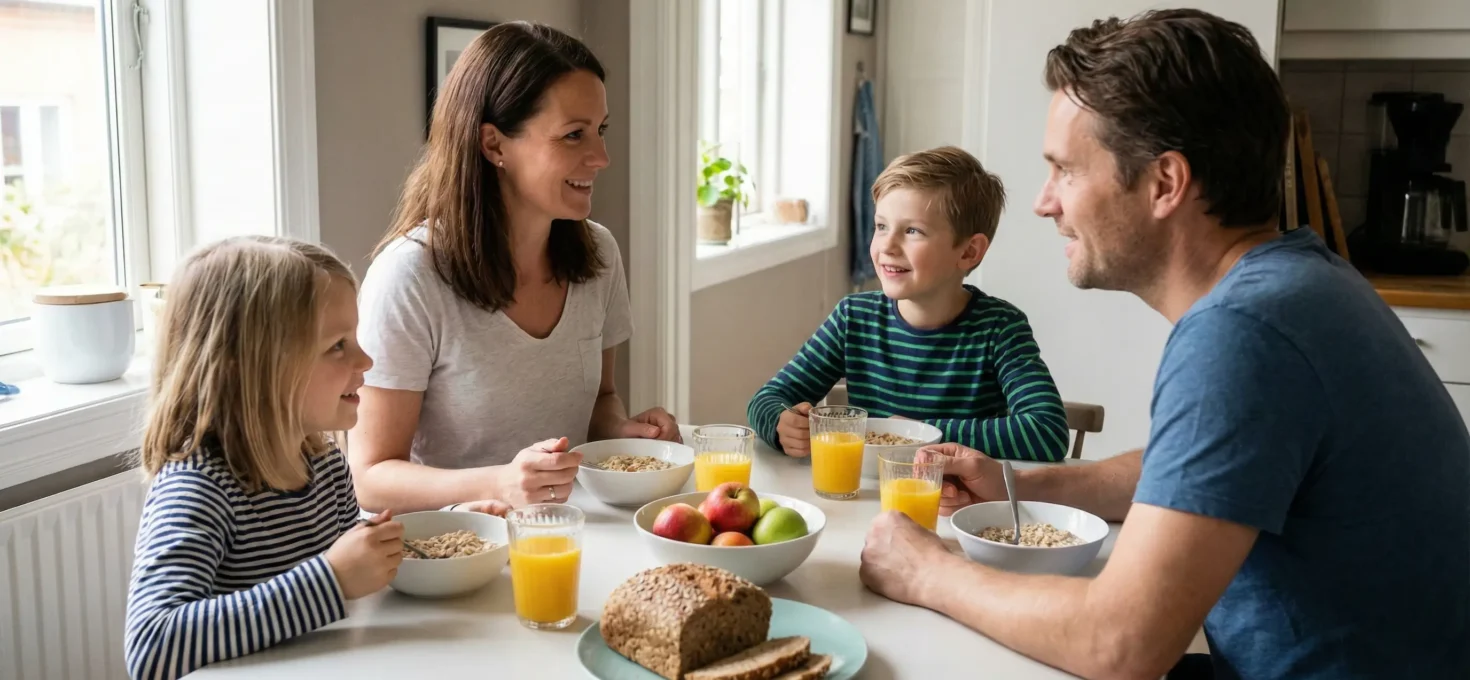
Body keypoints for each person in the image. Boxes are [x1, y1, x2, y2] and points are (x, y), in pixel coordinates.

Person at [858, 10, 1470, 680]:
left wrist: (927, 571)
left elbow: (1119, 646)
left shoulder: (1245, 333)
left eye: (1063, 170)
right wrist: (1014, 482)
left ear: (1165, 183)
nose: (1044, 202)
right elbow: (1198, 471)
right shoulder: (1303, 280)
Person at [124, 237, 508, 680]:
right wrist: (329, 580)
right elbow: (151, 646)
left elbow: (353, 561)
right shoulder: (197, 488)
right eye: (337, 346)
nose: (365, 360)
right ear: (250, 366)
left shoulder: (323, 464)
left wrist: (450, 529)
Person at [350, 22, 679, 512]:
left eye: (600, 130)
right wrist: (500, 483)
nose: (602, 157)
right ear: (494, 145)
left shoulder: (600, 255)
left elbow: (600, 400)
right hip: (456, 555)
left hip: (567, 532)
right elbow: (371, 477)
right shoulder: (409, 277)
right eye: (573, 135)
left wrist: (622, 430)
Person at [747, 146, 1069, 461]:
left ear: (969, 252)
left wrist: (922, 433)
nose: (887, 245)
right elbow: (766, 400)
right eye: (881, 226)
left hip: (959, 506)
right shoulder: (854, 318)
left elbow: (1047, 431)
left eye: (913, 231)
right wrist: (781, 424)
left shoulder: (1000, 328)